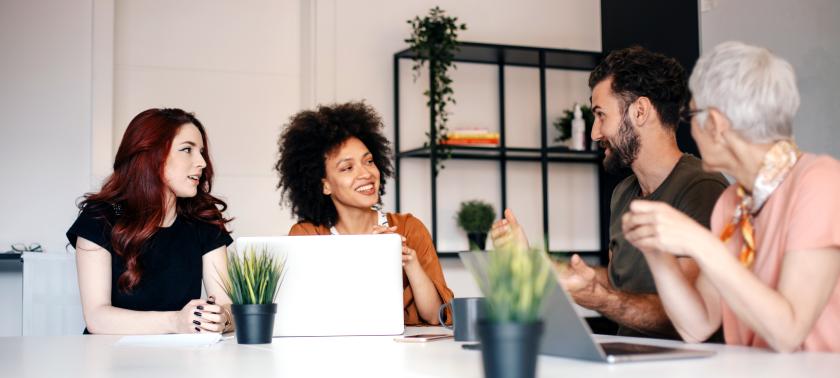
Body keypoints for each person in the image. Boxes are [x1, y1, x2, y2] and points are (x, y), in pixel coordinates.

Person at [491, 47, 728, 339]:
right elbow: (620, 284)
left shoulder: (702, 188)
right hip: (627, 359)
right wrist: (534, 262)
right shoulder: (623, 193)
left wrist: (596, 298)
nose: (594, 133)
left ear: (640, 111)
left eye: (601, 115)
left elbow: (684, 317)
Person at [622, 41, 840, 352]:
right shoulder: (732, 204)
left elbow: (788, 332)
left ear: (716, 123)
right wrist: (657, 253)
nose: (692, 130)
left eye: (692, 115)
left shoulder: (820, 182)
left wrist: (701, 243)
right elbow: (697, 325)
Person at [275, 102, 454, 325]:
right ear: (324, 185)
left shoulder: (409, 228)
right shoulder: (307, 235)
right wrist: (370, 261)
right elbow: (305, 313)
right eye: (347, 168)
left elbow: (435, 316)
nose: (366, 173)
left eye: (369, 161)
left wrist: (409, 261)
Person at [67, 108, 233, 334]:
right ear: (150, 155)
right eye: (187, 150)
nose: (202, 162)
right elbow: (97, 317)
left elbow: (227, 307)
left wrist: (221, 318)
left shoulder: (202, 217)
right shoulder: (103, 216)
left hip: (182, 360)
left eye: (201, 151)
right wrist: (175, 322)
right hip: (110, 359)